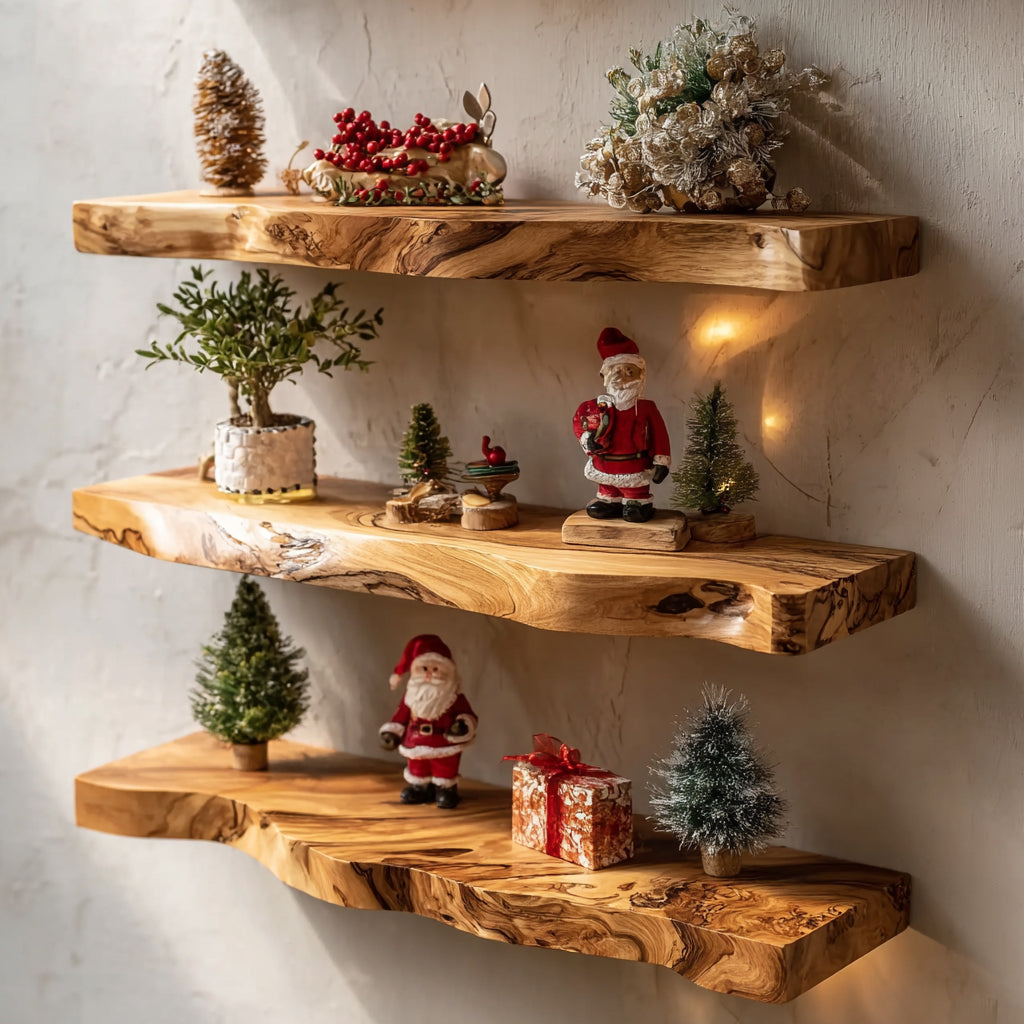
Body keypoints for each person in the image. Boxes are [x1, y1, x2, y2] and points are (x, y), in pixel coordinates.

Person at [572, 328, 671, 523]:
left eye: (629, 371)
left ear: (640, 376)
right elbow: (581, 425)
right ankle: (610, 501)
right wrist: (588, 438)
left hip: (635, 464)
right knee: (607, 488)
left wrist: (662, 462)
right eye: (616, 372)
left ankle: (637, 503)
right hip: (604, 463)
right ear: (605, 377)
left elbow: (660, 434)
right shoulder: (598, 407)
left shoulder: (646, 408)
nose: (622, 378)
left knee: (635, 491)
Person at [379, 634, 477, 809]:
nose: (429, 673)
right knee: (418, 767)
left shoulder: (453, 697)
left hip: (443, 743)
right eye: (424, 668)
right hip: (415, 741)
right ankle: (420, 788)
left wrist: (462, 725)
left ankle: (446, 790)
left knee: (444, 768)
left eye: (436, 669)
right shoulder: (411, 697)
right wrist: (391, 733)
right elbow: (400, 717)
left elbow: (467, 715)